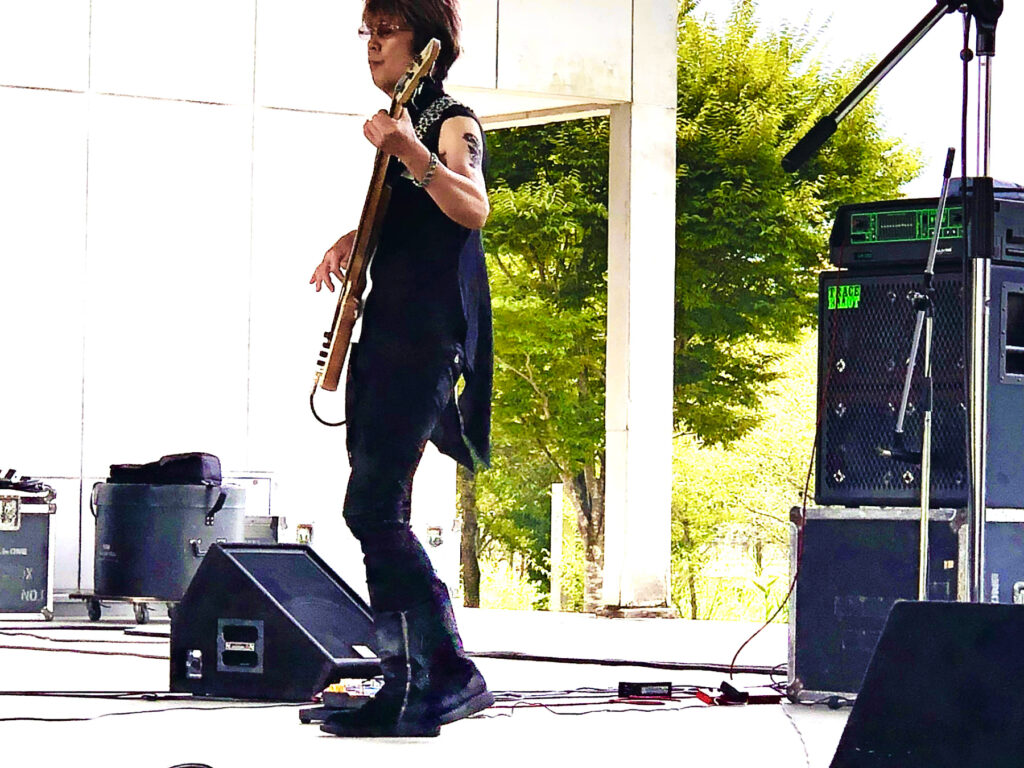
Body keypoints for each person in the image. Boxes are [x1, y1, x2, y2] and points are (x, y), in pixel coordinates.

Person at [308, 0, 494, 739]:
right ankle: (430, 675)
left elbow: (472, 207)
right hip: (388, 333)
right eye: (368, 31)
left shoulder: (450, 120)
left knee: (372, 507)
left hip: (425, 337)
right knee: (375, 507)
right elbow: (418, 223)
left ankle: (427, 678)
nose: (372, 44)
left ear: (427, 43)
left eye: (387, 30)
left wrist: (411, 150)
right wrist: (354, 240)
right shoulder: (405, 120)